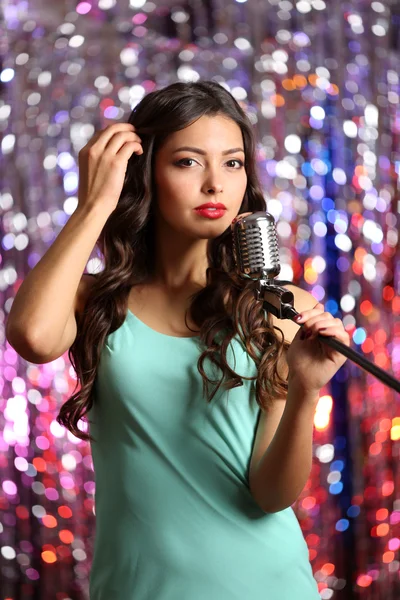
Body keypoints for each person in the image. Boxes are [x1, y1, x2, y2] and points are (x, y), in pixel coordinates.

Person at [6, 80, 350, 600]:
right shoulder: (91, 299)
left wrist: (305, 389)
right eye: (188, 162)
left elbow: (271, 493)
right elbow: (32, 336)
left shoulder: (282, 309)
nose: (216, 184)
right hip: (136, 587)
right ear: (145, 175)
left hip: (267, 584)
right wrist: (95, 204)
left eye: (232, 163)